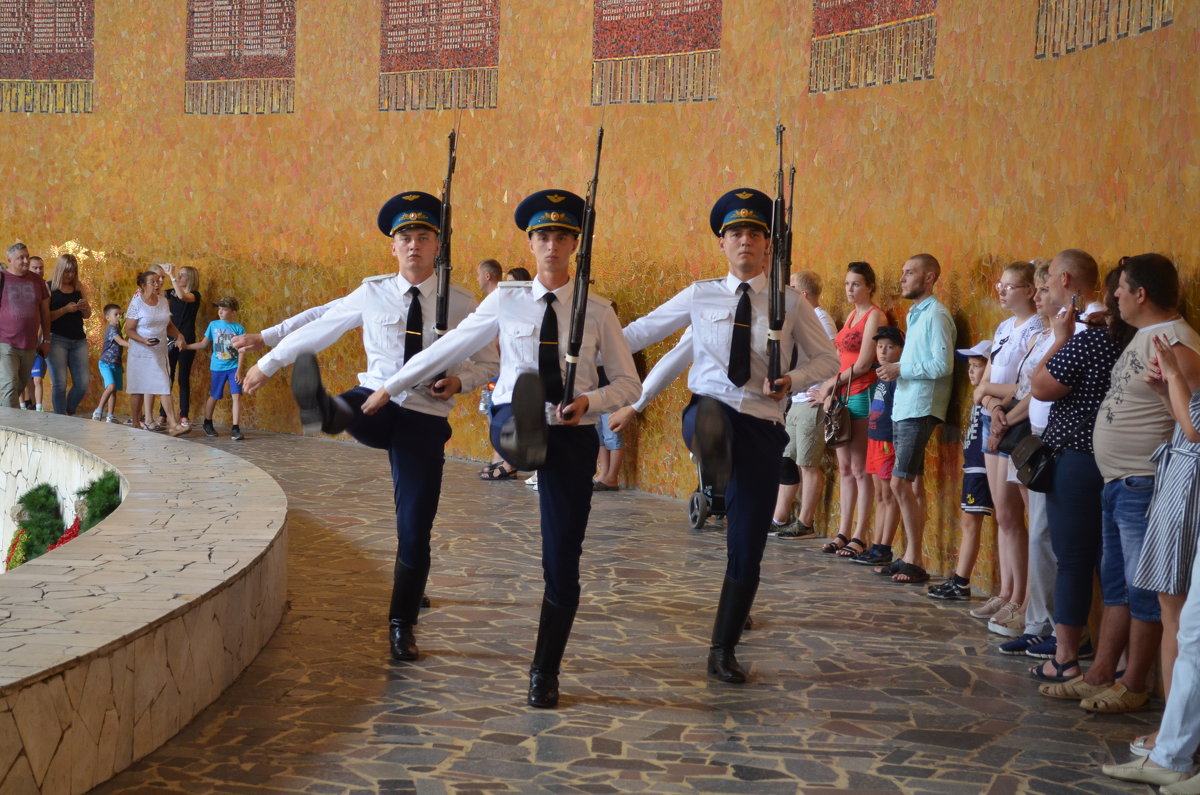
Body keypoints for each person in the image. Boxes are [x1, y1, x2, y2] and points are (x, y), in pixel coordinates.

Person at [361, 188, 639, 708]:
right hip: (513, 417)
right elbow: (452, 346)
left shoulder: (598, 311)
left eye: (561, 236)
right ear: (530, 245)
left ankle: (544, 669)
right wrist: (393, 385)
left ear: (574, 244)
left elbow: (629, 384)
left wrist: (591, 401)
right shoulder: (506, 300)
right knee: (520, 409)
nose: (551, 245)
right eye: (542, 237)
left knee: (562, 557)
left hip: (571, 432)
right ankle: (524, 429)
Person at [242, 191, 497, 667]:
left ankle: (402, 623)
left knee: (414, 528)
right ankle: (324, 407)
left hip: (425, 416)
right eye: (405, 238)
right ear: (392, 247)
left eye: (424, 237)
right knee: (353, 408)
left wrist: (460, 380)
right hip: (375, 399)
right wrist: (271, 361)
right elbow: (322, 326)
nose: (414, 245)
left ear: (438, 245)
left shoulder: (464, 303)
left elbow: (490, 362)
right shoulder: (373, 291)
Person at [622, 187, 838, 684]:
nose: (744, 241)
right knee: (708, 421)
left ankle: (723, 647)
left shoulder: (790, 302)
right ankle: (714, 474)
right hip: (710, 410)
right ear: (721, 243)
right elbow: (641, 333)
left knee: (747, 545)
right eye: (734, 233)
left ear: (769, 245)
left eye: (754, 233)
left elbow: (827, 360)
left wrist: (793, 381)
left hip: (763, 425)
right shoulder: (701, 295)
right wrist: (593, 350)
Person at [1074, 254, 1200, 715]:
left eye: (1121, 288)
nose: (1115, 296)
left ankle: (1135, 684)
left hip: (1144, 484)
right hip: (1119, 480)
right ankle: (1104, 672)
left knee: (1147, 591)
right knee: (1119, 587)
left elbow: (1192, 425)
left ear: (1141, 293)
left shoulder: (1179, 344)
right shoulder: (1145, 337)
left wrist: (1168, 390)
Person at [1029, 252, 1127, 688]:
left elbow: (1041, 385)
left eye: (1048, 280)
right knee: (1112, 565)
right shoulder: (1129, 337)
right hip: (1119, 460)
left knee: (1072, 561)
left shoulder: (1087, 339)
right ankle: (1117, 661)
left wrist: (1059, 337)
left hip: (1077, 459)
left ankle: (1066, 658)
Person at [994, 262, 1070, 657]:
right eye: (1037, 290)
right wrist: (1005, 414)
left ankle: (1052, 626)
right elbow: (1030, 388)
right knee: (1038, 531)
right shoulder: (1046, 333)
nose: (1039, 297)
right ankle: (1037, 619)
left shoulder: (1061, 331)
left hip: (1053, 439)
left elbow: (1042, 385)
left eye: (1043, 289)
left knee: (1045, 534)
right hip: (1030, 433)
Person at [971, 262, 1045, 635]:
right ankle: (1007, 590)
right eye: (1000, 285)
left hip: (1017, 421)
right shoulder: (1004, 327)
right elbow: (984, 381)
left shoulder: (1037, 328)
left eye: (1010, 286)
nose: (1001, 292)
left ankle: (1024, 599)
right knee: (1003, 514)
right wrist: (989, 401)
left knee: (1022, 515)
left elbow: (1023, 386)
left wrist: (992, 398)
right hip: (995, 417)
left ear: (1032, 290)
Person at [873, 254, 954, 584]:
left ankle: (916, 559)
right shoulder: (917, 314)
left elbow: (942, 365)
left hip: (920, 407)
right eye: (903, 272)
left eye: (910, 273)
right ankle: (909, 555)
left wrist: (900, 368)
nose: (903, 279)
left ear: (930, 277)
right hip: (905, 405)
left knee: (898, 483)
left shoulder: (937, 315)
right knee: (910, 484)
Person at [817, 262, 884, 556]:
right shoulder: (851, 316)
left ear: (869, 285)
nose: (850, 289)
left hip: (860, 393)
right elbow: (839, 355)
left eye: (856, 284)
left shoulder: (874, 315)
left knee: (859, 469)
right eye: (847, 284)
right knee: (845, 467)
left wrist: (832, 383)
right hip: (841, 394)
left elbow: (864, 363)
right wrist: (831, 387)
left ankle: (860, 534)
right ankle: (843, 531)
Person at [769, 269, 838, 538]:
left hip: (811, 402)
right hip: (795, 399)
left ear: (804, 294)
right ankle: (780, 517)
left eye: (793, 287)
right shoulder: (801, 318)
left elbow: (834, 358)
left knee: (809, 464)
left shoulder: (821, 319)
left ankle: (806, 523)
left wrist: (823, 392)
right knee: (791, 460)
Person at [927, 340, 993, 598]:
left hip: (982, 468)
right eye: (971, 366)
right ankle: (960, 579)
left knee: (970, 522)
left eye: (978, 366)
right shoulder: (978, 396)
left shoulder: (989, 397)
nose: (972, 371)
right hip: (973, 467)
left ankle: (961, 581)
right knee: (968, 521)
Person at [854, 326, 906, 565]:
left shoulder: (898, 377)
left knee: (888, 494)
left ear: (901, 350)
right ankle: (876, 543)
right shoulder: (879, 374)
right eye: (880, 346)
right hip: (874, 438)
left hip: (888, 439)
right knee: (880, 495)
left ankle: (884, 546)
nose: (884, 351)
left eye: (891, 346)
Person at [125, 270, 189, 436]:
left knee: (163, 384)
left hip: (159, 351)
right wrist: (144, 340)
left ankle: (174, 425)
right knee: (138, 388)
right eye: (152, 282)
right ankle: (135, 423)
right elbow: (129, 330)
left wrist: (179, 335)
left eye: (158, 281)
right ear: (143, 285)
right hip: (140, 351)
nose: (157, 284)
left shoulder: (163, 301)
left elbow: (168, 325)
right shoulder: (136, 303)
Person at [186, 297, 246, 440]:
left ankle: (236, 428)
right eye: (219, 309)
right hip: (217, 367)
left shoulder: (239, 328)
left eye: (224, 309)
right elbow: (203, 344)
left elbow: (242, 350)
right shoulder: (213, 325)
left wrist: (239, 370)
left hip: (233, 367)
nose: (220, 312)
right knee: (214, 395)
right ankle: (207, 422)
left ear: (233, 312)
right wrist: (186, 347)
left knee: (236, 396)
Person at [0, 243, 51, 408]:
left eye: (27, 256)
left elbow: (45, 312)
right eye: (20, 258)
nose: (25, 260)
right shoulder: (2, 278)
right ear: (9, 260)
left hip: (29, 344)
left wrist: (46, 340)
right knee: (9, 385)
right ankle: (8, 431)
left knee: (18, 387)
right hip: (5, 343)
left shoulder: (37, 281)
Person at [46, 253, 92, 415]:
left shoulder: (78, 286)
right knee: (60, 383)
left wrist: (84, 307)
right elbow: (45, 317)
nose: (69, 275)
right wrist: (65, 310)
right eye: (66, 271)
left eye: (72, 271)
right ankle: (61, 417)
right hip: (56, 339)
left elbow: (87, 315)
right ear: (59, 270)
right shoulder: (49, 287)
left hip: (78, 340)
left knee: (82, 383)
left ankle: (68, 412)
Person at [161, 264, 200, 430]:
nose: (179, 277)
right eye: (178, 274)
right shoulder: (169, 292)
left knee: (183, 379)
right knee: (167, 378)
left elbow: (182, 296)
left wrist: (171, 276)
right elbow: (153, 293)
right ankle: (163, 415)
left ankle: (184, 414)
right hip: (169, 338)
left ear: (190, 278)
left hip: (187, 341)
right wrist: (161, 272)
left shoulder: (194, 295)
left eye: (183, 275)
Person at [93, 303, 128, 423]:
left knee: (114, 391)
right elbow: (119, 341)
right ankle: (98, 410)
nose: (119, 316)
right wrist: (132, 344)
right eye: (116, 314)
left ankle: (110, 415)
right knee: (111, 386)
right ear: (108, 317)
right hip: (106, 363)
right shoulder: (111, 329)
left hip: (116, 364)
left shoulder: (118, 328)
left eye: (120, 314)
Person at [21, 255, 46, 410]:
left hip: (39, 342)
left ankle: (37, 406)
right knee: (23, 378)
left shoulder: (44, 287)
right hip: (21, 340)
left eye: (40, 267)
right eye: (34, 268)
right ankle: (26, 404)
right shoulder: (22, 287)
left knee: (37, 378)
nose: (38, 271)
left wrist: (43, 340)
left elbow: (45, 317)